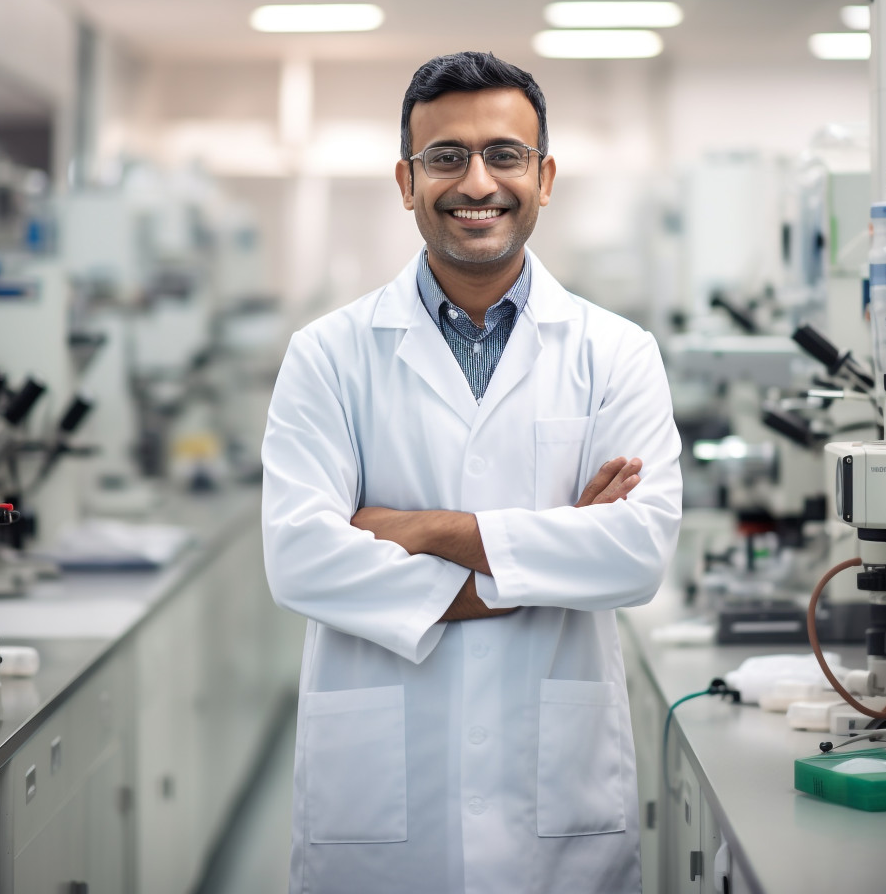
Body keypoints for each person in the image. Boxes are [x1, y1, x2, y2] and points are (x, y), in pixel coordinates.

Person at [261, 51, 683, 894]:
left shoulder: (617, 353)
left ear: (545, 175)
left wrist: (417, 529)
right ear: (406, 180)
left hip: (555, 805)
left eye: (505, 154)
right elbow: (302, 559)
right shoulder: (327, 355)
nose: (476, 181)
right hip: (383, 808)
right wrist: (554, 554)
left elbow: (635, 555)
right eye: (446, 156)